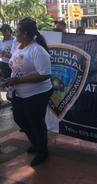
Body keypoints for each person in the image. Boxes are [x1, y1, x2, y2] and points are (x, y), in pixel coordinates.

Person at [6, 18, 53, 166]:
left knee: (36, 122)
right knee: (20, 118)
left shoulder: (38, 50)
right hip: (19, 92)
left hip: (37, 94)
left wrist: (19, 81)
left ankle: (42, 151)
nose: (15, 33)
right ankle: (36, 143)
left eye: (18, 30)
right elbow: (17, 64)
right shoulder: (18, 45)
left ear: (25, 33)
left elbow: (44, 74)